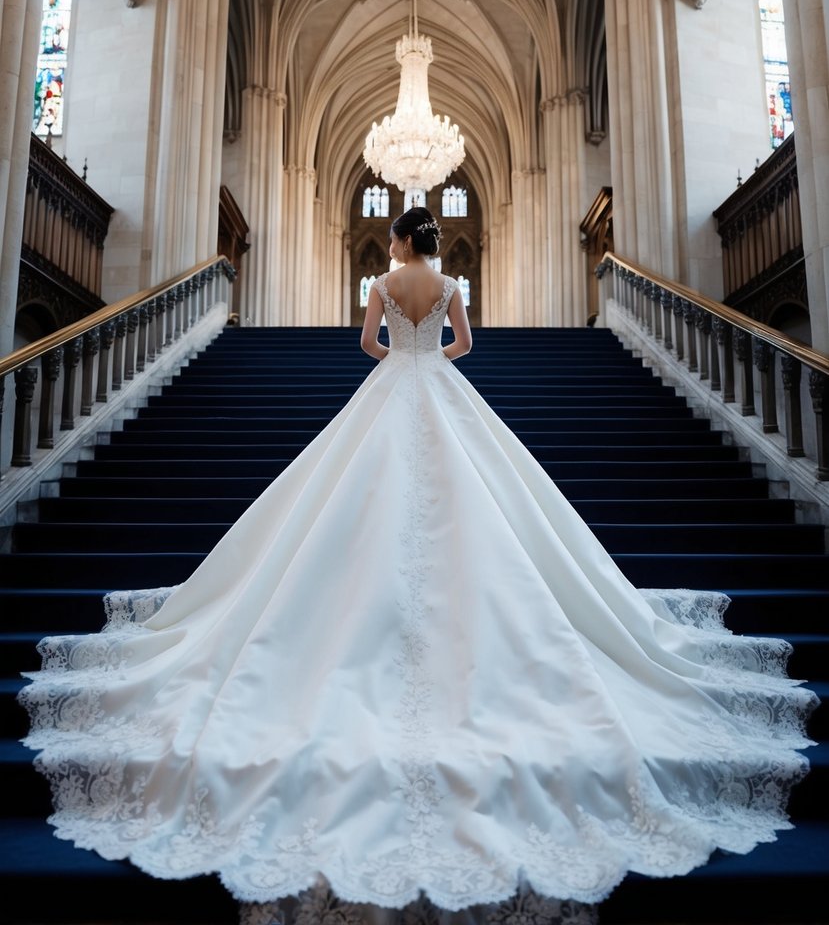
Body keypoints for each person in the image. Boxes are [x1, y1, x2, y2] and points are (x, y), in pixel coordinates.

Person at [19, 206, 816, 925]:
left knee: (343, 510)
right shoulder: (447, 284)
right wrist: (434, 353)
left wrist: (394, 351)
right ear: (434, 248)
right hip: (439, 388)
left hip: (390, 388)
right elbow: (465, 345)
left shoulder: (381, 280)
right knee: (481, 510)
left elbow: (366, 344)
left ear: (396, 241)